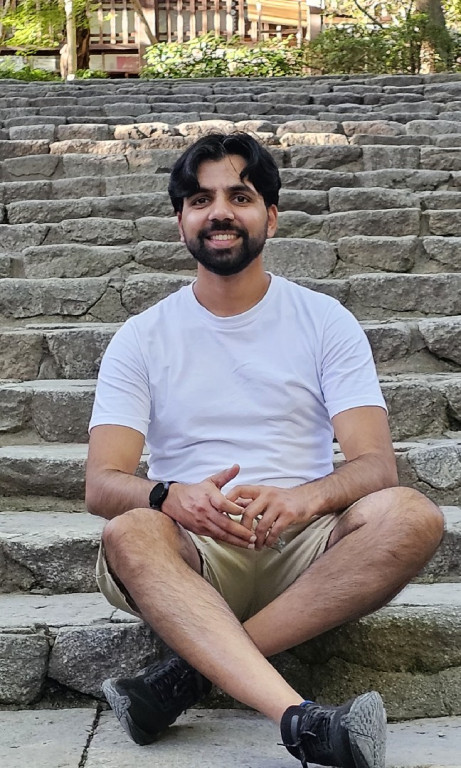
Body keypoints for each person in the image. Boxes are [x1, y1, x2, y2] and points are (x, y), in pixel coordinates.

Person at [86, 132, 443, 768]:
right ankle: (299, 720)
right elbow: (102, 483)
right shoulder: (141, 338)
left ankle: (183, 679)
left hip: (306, 548)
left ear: (270, 217)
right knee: (130, 530)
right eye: (201, 200)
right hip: (193, 551)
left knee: (412, 514)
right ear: (180, 223)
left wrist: (304, 500)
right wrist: (171, 495)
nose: (219, 212)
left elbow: (376, 465)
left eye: (240, 196)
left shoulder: (325, 320)